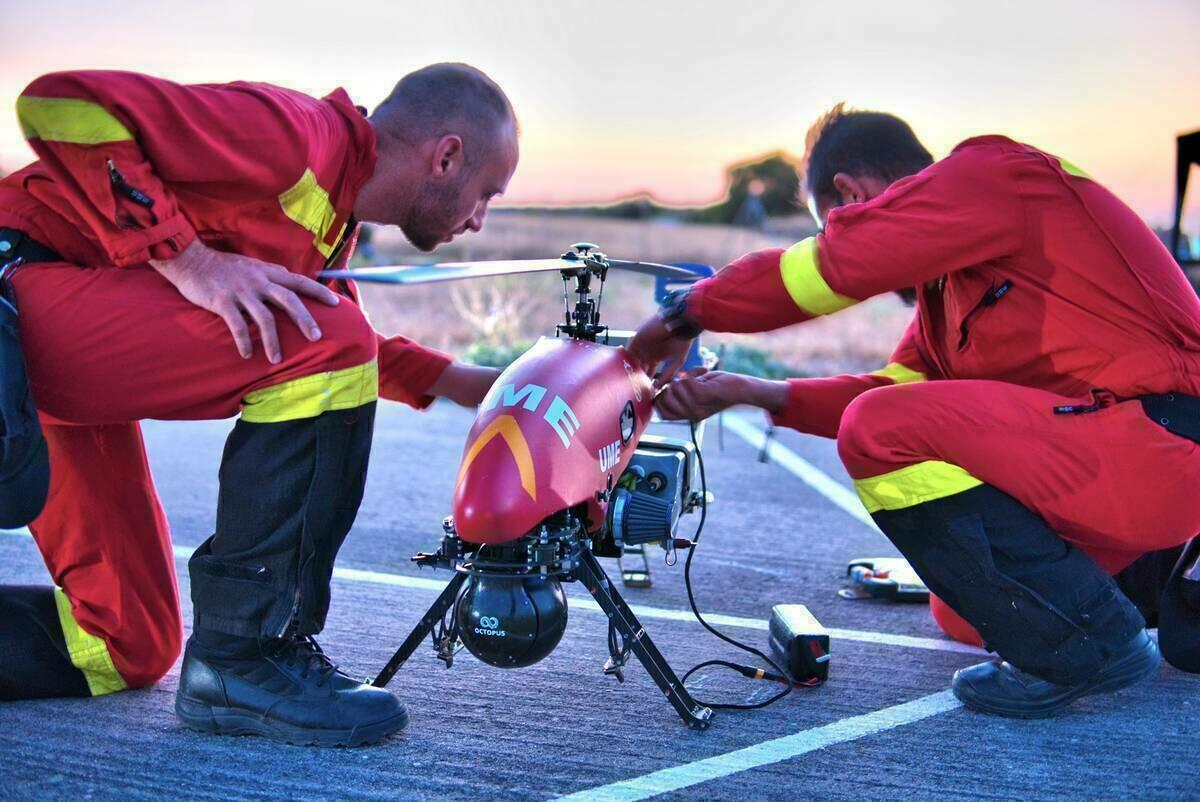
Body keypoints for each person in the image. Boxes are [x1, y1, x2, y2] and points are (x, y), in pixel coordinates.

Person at [0, 63, 515, 746]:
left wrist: (480, 385)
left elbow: (325, 338)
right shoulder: (293, 136)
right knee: (328, 341)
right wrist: (191, 262)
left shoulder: (330, 221)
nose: (479, 220)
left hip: (59, 335)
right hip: (17, 300)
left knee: (124, 640)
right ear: (446, 157)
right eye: (486, 195)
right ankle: (248, 654)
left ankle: (229, 660)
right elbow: (58, 103)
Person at [629, 104, 1200, 718]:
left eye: (836, 222)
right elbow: (886, 389)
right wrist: (750, 391)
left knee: (882, 431)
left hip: (1165, 438)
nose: (841, 235)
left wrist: (681, 315)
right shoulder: (944, 296)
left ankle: (1093, 647)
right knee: (965, 606)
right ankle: (1135, 591)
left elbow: (834, 270)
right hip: (1114, 467)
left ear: (849, 194)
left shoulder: (993, 174)